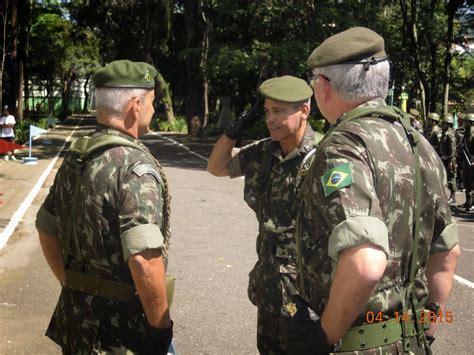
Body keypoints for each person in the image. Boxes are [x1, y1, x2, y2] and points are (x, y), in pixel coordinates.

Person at [287, 27, 460, 354]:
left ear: (324, 86)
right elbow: (447, 253)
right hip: (412, 342)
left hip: (355, 344)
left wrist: (322, 337)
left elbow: (365, 262)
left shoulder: (343, 147)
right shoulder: (418, 142)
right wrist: (427, 326)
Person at [35, 60, 173, 354]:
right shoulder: (135, 166)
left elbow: (46, 227)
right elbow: (143, 258)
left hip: (75, 322)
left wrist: (72, 283)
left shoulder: (77, 157)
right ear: (136, 105)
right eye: (151, 100)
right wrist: (161, 328)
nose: (153, 107)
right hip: (119, 333)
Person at [207, 75, 322, 354]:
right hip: (269, 285)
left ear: (304, 111)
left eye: (278, 111)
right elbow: (217, 167)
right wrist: (236, 128)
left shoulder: (325, 155)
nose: (269, 119)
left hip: (308, 293)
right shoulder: (263, 152)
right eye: (267, 111)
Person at [440, 113, 458, 203]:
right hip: (445, 158)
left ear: (447, 124)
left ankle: (453, 196)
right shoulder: (444, 133)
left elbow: (453, 148)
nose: (442, 125)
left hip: (450, 159)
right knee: (446, 177)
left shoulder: (450, 135)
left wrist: (451, 160)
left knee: (451, 178)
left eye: (443, 123)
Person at [459, 113, 474, 211]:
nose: (464, 123)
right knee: (466, 182)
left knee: (473, 183)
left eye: (466, 122)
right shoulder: (466, 133)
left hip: (472, 162)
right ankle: (468, 201)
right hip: (466, 161)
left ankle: (472, 203)